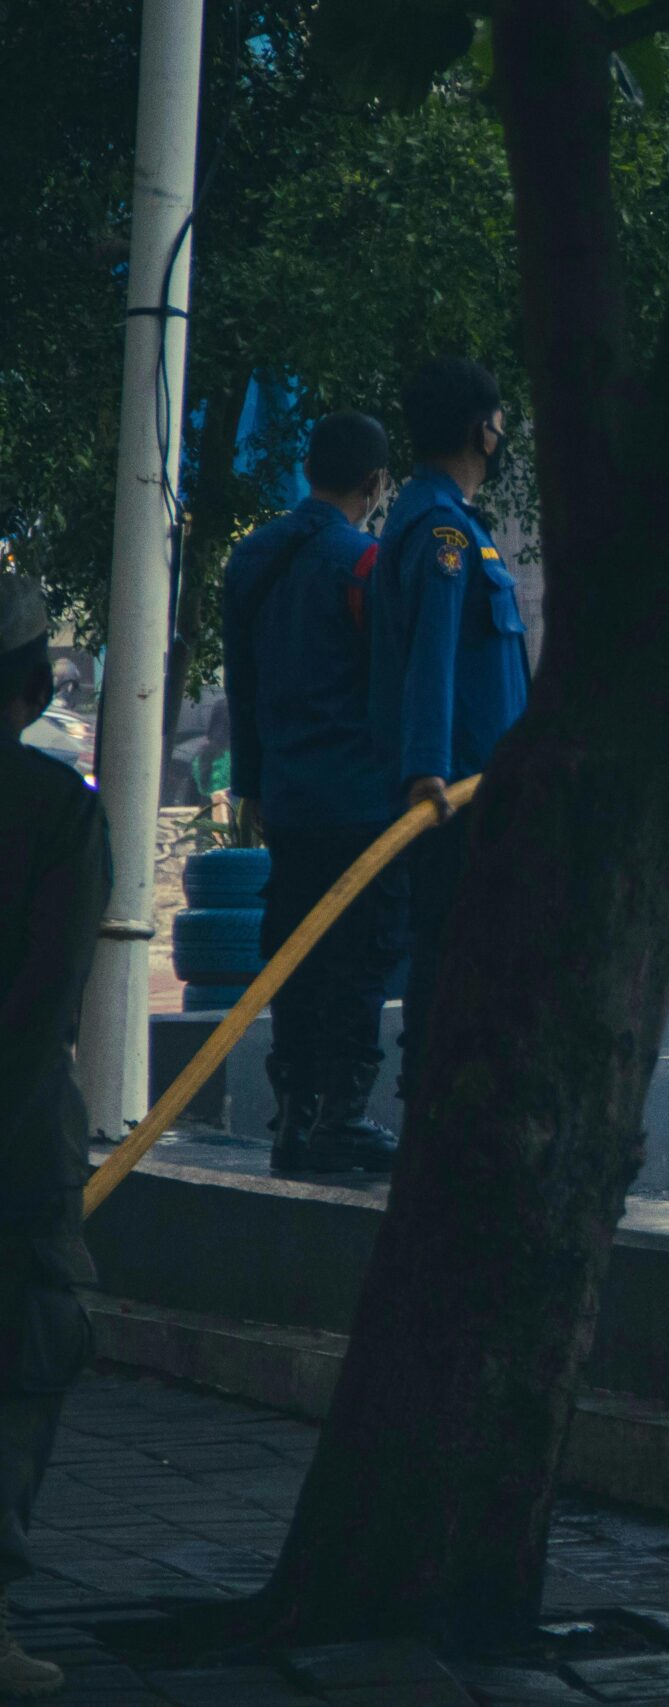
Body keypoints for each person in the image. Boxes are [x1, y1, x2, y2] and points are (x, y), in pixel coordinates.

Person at [223, 410, 404, 1174]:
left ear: (308, 468)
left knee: (292, 956)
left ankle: (293, 1118)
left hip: (288, 804)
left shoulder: (251, 558)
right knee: (361, 958)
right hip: (361, 805)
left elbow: (241, 686)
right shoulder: (364, 563)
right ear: (375, 482)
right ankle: (343, 1117)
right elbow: (389, 686)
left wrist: (252, 785)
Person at [370, 358, 529, 1100]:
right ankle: (439, 1107)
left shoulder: (449, 521)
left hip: (481, 789)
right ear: (481, 431)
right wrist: (427, 768)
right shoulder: (444, 533)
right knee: (454, 956)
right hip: (455, 793)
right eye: (500, 420)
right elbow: (432, 657)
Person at [0, 573, 102, 1699]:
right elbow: (46, 996)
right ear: (34, 688)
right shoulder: (54, 809)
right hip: (17, 1145)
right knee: (22, 1359)